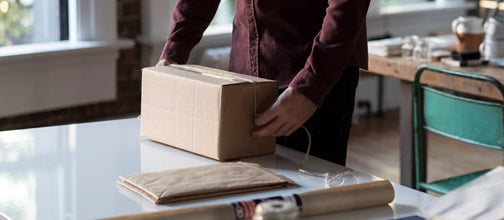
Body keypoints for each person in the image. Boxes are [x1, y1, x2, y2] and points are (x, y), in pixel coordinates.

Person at [156, 0, 371, 166]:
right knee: (247, 195)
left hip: (313, 77)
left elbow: (348, 5)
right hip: (244, 77)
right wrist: (172, 54)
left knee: (313, 201)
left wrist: (311, 86)